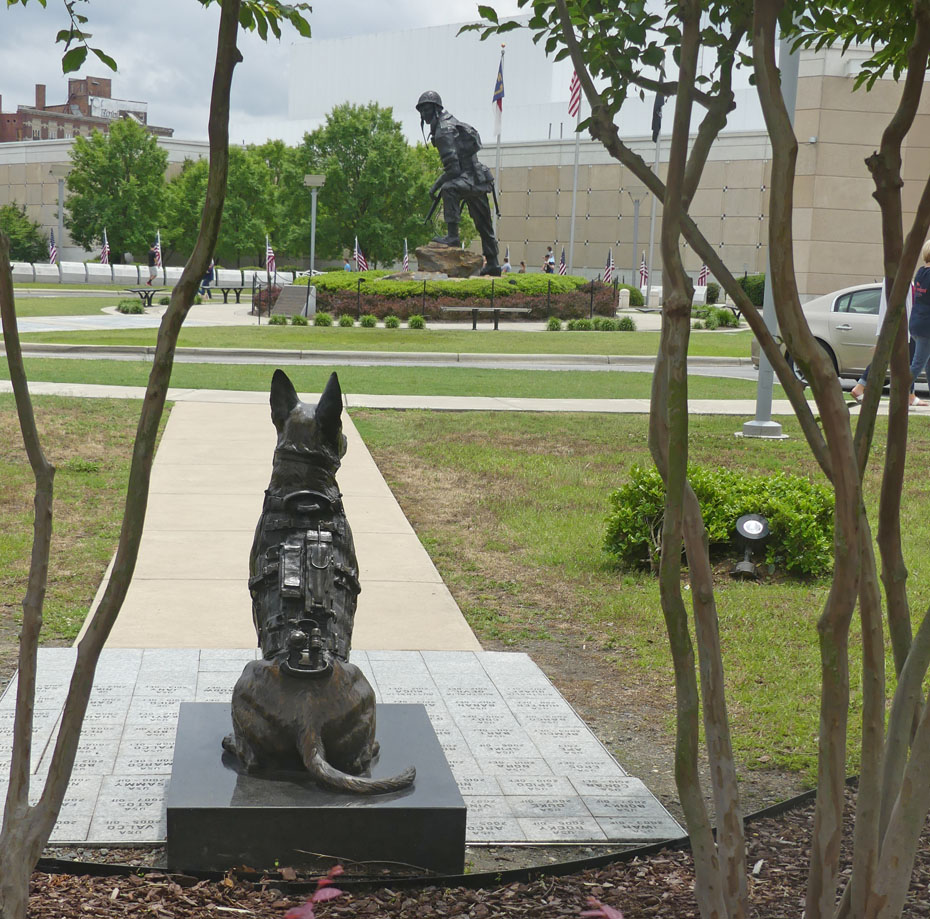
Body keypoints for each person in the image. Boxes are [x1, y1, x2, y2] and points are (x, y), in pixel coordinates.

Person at [416, 89, 501, 276]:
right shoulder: (448, 124)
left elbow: (453, 170)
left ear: (436, 109)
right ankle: (493, 263)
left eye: (427, 109)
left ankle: (453, 237)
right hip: (476, 178)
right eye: (421, 110)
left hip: (471, 177)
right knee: (484, 223)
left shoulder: (443, 131)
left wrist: (435, 185)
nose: (424, 114)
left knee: (449, 189)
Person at [908, 240, 930, 407]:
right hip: (926, 327)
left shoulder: (921, 272)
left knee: (926, 362)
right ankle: (900, 392)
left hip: (916, 322)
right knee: (918, 364)